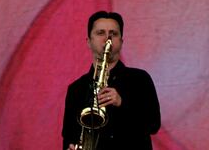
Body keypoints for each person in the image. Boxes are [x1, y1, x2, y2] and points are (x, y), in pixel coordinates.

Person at [62, 11, 161, 150]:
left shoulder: (140, 79)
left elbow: (153, 125)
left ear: (121, 42)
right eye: (100, 33)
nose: (107, 38)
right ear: (89, 42)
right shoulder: (76, 89)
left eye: (113, 34)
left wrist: (122, 103)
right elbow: (69, 137)